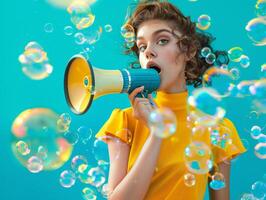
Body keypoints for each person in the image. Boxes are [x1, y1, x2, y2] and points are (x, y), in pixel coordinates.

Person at [95, 0, 246, 199]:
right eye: (142, 46)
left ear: (189, 51)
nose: (148, 51)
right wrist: (157, 133)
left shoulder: (218, 129)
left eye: (162, 40)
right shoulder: (125, 121)